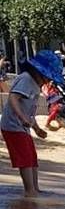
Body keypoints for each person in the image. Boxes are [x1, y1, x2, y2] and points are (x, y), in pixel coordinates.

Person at [1, 55, 49, 195]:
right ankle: (29, 190)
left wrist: (36, 128)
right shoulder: (26, 79)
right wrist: (22, 118)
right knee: (25, 158)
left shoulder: (35, 84)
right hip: (12, 125)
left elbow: (29, 111)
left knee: (32, 157)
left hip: (22, 127)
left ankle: (35, 188)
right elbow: (13, 97)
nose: (48, 80)